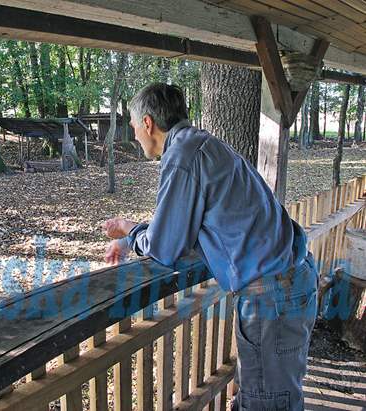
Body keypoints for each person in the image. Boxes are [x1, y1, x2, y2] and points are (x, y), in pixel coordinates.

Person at [102, 83, 318, 411]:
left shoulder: (182, 156)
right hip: (290, 283)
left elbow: (165, 247)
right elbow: (183, 231)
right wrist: (130, 238)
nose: (134, 135)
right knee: (270, 397)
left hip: (272, 297)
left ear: (148, 123)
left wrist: (127, 228)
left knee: (270, 404)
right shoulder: (204, 145)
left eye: (133, 126)